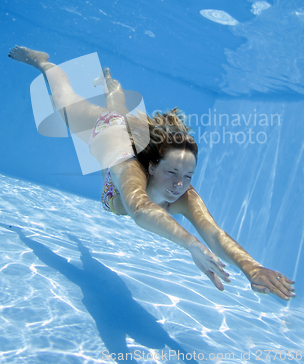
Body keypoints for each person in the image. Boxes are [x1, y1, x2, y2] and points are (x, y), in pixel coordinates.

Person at [8, 46, 296, 301]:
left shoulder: (184, 192)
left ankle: (113, 86)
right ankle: (44, 62)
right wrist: (190, 244)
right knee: (63, 102)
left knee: (121, 113)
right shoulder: (129, 169)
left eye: (189, 176)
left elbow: (215, 233)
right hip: (106, 131)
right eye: (172, 172)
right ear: (151, 167)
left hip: (126, 132)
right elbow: (140, 209)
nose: (179, 185)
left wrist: (251, 267)